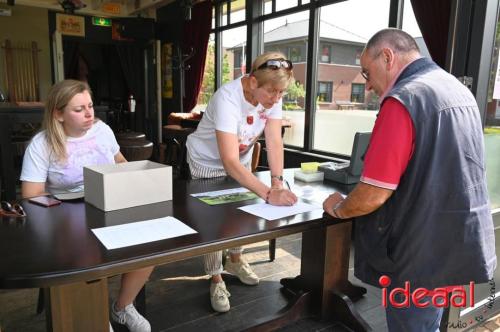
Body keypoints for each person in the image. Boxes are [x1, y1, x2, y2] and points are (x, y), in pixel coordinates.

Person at [323, 28, 497, 331]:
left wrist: (339, 208)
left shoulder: (404, 99)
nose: (368, 86)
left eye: (366, 73)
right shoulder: (457, 89)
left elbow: (373, 193)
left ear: (387, 57)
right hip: (454, 244)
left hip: (418, 252)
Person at [20, 79, 153, 332]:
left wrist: (141, 179)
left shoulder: (103, 130)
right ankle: (94, 316)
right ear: (58, 114)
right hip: (66, 216)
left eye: (90, 106)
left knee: (152, 242)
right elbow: (31, 195)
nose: (89, 113)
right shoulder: (42, 143)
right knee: (87, 252)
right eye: (78, 109)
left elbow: (121, 161)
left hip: (108, 205)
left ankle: (122, 307)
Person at [186, 52, 298, 312]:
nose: (276, 98)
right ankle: (216, 277)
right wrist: (269, 194)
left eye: (281, 93)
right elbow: (229, 162)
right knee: (212, 219)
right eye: (272, 92)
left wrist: (277, 182)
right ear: (251, 82)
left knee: (241, 214)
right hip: (208, 162)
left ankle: (235, 259)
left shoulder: (272, 98)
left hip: (241, 158)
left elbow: (274, 140)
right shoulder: (228, 98)